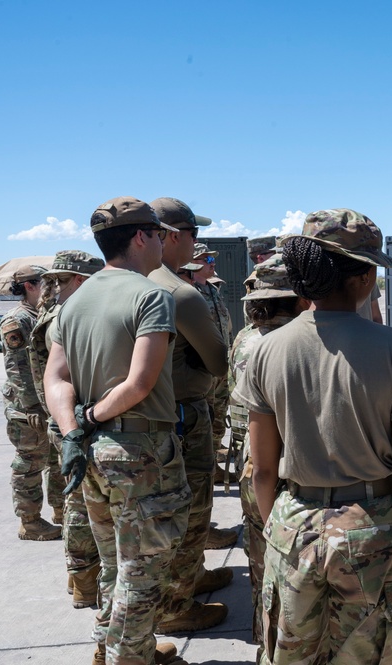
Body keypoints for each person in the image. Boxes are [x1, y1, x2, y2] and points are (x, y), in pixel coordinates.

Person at [233, 209, 392, 664]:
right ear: (366, 276)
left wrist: (283, 532)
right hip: (374, 530)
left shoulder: (267, 349)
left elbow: (263, 470)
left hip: (294, 525)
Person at [43, 196, 188, 665]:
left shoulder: (75, 300)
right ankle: (130, 657)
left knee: (114, 564)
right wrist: (91, 418)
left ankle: (112, 647)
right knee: (143, 570)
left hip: (89, 452)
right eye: (160, 235)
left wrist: (72, 430)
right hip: (139, 449)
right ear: (142, 237)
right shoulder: (150, 295)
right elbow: (141, 382)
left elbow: (57, 377)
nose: (164, 243)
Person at [146, 197, 233, 635]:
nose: (198, 244)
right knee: (192, 509)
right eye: (195, 234)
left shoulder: (110, 286)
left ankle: (189, 576)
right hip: (182, 413)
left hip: (136, 422)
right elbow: (219, 362)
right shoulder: (179, 292)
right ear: (171, 235)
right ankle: (179, 603)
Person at [227, 256, 309, 662]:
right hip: (288, 466)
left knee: (262, 567)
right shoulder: (297, 343)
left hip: (250, 462)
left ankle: (267, 645)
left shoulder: (245, 339)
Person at [27, 250, 105, 607]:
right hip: (73, 422)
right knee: (82, 505)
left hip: (61, 420)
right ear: (79, 279)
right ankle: (86, 582)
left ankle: (80, 580)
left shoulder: (50, 311)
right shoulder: (67, 315)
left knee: (76, 501)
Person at [0, 263, 64, 541]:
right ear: (29, 286)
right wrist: (32, 406)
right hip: (27, 409)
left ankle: (60, 511)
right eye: (45, 283)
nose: (52, 288)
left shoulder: (42, 315)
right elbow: (17, 369)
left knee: (58, 462)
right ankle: (29, 522)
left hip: (48, 404)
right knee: (30, 465)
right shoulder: (16, 320)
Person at [190, 243, 235, 485]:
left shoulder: (213, 291)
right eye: (207, 259)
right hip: (203, 371)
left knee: (218, 422)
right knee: (203, 423)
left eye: (212, 259)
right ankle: (203, 472)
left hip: (220, 368)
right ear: (194, 262)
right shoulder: (189, 292)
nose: (212, 263)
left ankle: (214, 466)